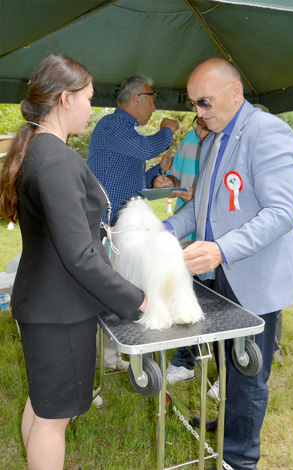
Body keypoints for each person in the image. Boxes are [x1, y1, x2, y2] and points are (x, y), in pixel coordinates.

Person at [0, 54, 147, 470]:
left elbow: (66, 232)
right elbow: (79, 256)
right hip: (59, 309)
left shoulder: (39, 148)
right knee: (53, 419)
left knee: (43, 403)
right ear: (65, 99)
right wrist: (137, 300)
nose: (91, 107)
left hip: (46, 302)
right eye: (87, 97)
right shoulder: (54, 158)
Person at [164, 57, 293, 470]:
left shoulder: (269, 132)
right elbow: (200, 211)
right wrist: (163, 230)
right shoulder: (213, 138)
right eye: (195, 104)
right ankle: (231, 425)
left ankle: (239, 457)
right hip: (221, 272)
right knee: (226, 359)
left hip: (255, 275)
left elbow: (282, 213)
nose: (199, 112)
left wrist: (220, 250)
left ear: (235, 91)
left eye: (205, 102)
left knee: (248, 371)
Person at [154, 116, 213, 385]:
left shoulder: (225, 140)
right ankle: (184, 361)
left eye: (205, 127)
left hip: (214, 235)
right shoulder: (189, 139)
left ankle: (226, 371)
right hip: (184, 230)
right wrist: (170, 183)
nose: (200, 132)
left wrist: (198, 196)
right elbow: (178, 174)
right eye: (197, 126)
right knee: (185, 295)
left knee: (218, 303)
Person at [87, 74, 179, 225]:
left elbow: (136, 184)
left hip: (119, 225)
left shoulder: (127, 132)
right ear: (137, 99)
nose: (154, 109)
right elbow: (146, 149)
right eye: (152, 102)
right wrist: (167, 131)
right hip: (104, 224)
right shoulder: (111, 124)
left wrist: (160, 168)